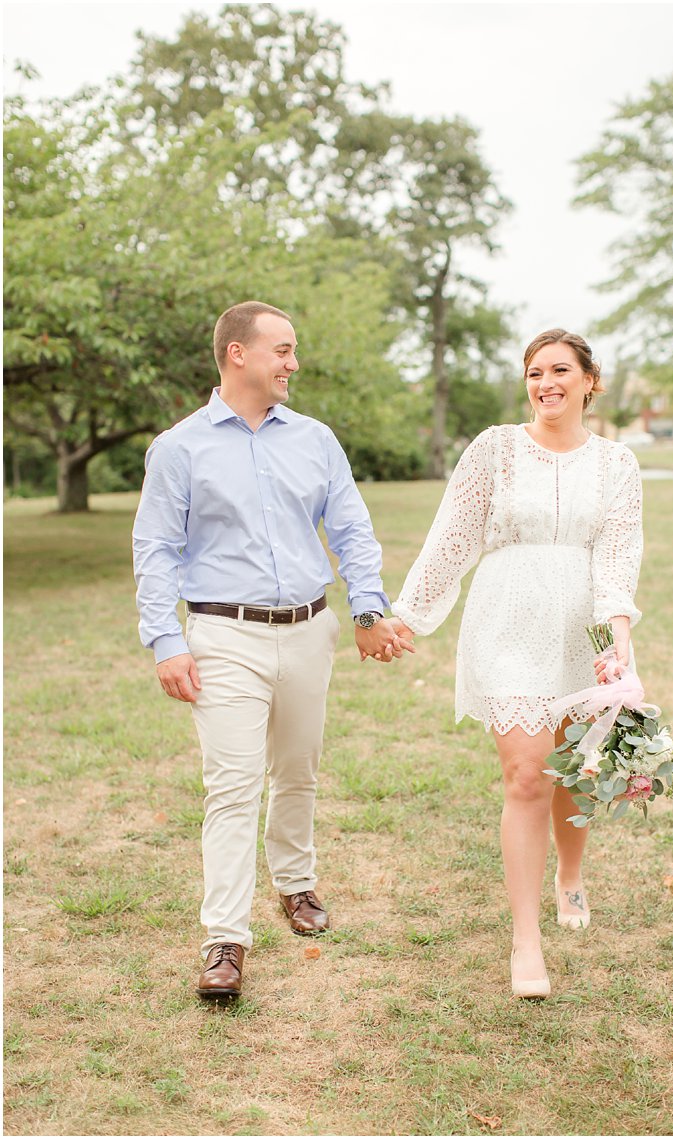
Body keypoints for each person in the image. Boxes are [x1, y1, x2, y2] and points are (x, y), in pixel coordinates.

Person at [132, 300, 413, 1002]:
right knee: (231, 783)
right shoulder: (179, 447)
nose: (293, 362)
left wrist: (368, 607)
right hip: (223, 634)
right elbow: (155, 548)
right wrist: (165, 638)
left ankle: (294, 884)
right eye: (283, 349)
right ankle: (224, 937)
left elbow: (351, 528)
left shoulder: (316, 439)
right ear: (238, 354)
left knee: (298, 769)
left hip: (309, 629)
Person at [392, 328, 643, 1000]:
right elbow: (452, 535)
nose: (546, 383)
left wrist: (619, 641)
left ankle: (571, 874)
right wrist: (407, 614)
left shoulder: (618, 463)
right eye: (535, 373)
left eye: (561, 370)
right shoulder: (495, 450)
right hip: (505, 621)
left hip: (582, 628)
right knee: (527, 775)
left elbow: (619, 555)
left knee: (575, 769)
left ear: (590, 380)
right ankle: (526, 939)